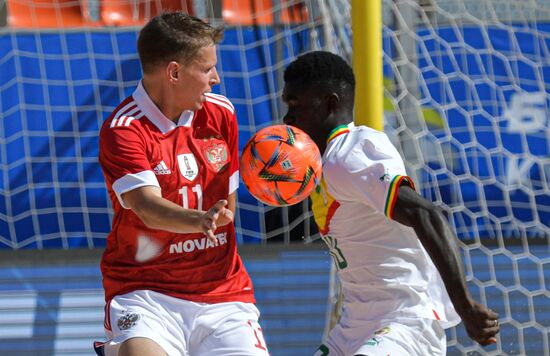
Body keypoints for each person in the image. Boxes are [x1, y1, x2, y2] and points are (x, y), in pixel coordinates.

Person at [282, 51, 500, 356]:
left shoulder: (349, 153)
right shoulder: (322, 162)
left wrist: (464, 306)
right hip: (353, 328)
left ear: (330, 104)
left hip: (405, 325)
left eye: (295, 106)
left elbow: (426, 213)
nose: (286, 119)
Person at [95, 12, 269, 356]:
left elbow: (228, 210)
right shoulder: (124, 129)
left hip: (222, 293)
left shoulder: (222, 114)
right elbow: (147, 207)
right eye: (207, 70)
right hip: (146, 292)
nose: (216, 79)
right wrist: (199, 220)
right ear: (174, 72)